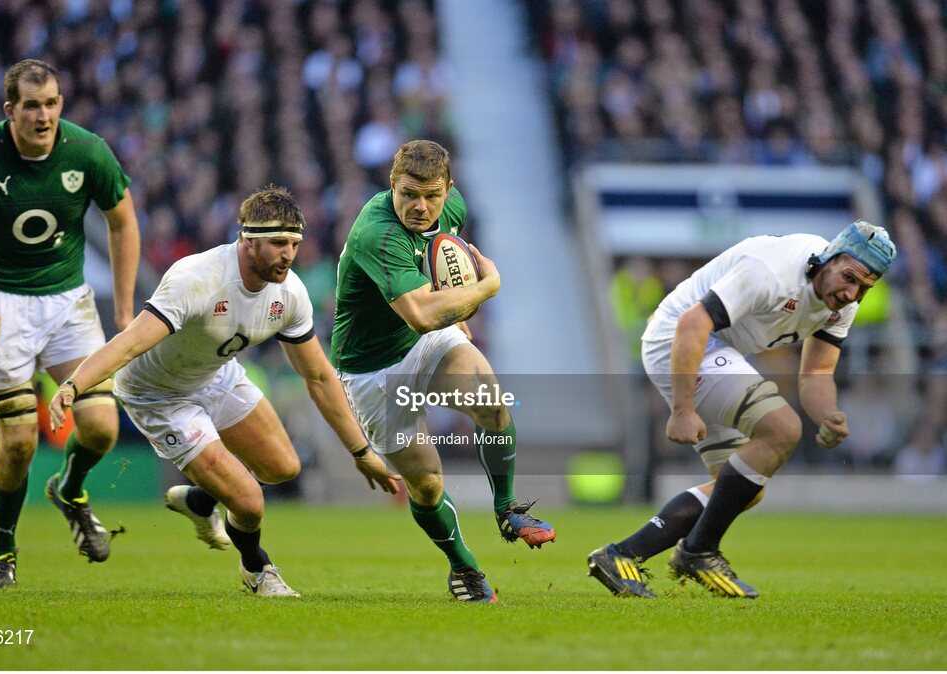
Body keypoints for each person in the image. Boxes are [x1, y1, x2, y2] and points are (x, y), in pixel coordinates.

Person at [49, 186, 401, 598]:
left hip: (216, 375)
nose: (288, 254)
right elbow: (129, 342)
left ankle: (201, 501)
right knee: (250, 503)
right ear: (247, 241)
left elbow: (320, 377)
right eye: (277, 244)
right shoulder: (197, 279)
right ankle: (257, 568)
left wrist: (361, 453)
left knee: (284, 468)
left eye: (294, 243)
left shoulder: (289, 293)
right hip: (158, 394)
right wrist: (76, 383)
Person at [588, 221, 896, 599]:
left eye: (864, 287)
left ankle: (621, 555)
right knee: (782, 428)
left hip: (715, 350)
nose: (852, 293)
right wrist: (682, 409)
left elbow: (816, 371)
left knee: (740, 490)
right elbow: (693, 322)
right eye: (849, 278)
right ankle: (699, 551)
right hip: (680, 341)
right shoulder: (772, 270)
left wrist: (828, 413)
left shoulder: (841, 299)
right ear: (828, 257)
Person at [0, 59, 140, 589]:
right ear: (11, 111)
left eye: (51, 103)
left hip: (67, 299)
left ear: (60, 104)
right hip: (0, 303)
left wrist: (122, 311)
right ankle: (3, 552)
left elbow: (123, 222)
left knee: (101, 427)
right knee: (19, 441)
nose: (44, 115)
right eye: (31, 106)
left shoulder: (88, 152)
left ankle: (70, 488)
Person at [329, 140, 555, 603]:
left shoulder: (452, 207)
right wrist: (487, 286)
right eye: (409, 193)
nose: (420, 206)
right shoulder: (379, 233)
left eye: (431, 195)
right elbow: (419, 313)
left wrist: (459, 313)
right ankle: (463, 568)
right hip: (372, 369)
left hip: (428, 342)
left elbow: (441, 270)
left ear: (448, 188)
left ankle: (507, 507)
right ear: (392, 183)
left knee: (491, 403)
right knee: (427, 484)